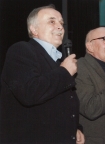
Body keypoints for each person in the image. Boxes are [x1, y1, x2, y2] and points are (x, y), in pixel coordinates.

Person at [0, 5, 85, 144]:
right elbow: (29, 93)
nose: (60, 27)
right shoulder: (21, 50)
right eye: (52, 21)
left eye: (61, 23)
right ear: (34, 29)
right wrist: (64, 72)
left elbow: (65, 103)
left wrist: (76, 128)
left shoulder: (59, 61)